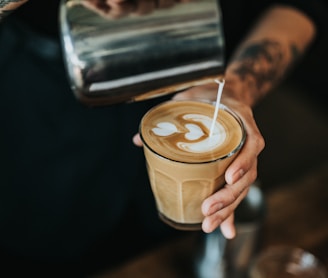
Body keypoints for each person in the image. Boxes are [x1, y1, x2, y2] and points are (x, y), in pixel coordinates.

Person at [0, 0, 326, 276]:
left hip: (197, 73)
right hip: (44, 87)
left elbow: (303, 5)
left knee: (168, 245)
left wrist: (237, 88)